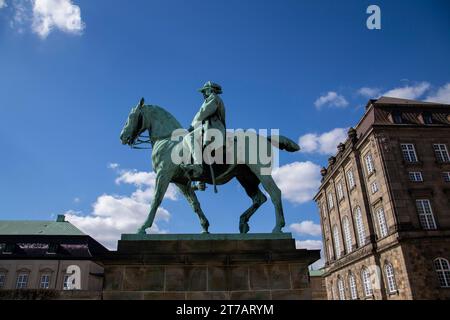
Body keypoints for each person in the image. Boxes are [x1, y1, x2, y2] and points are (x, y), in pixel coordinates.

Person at [182, 81, 226, 190]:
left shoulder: (213, 98)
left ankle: (198, 167)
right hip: (209, 127)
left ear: (210, 90)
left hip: (214, 128)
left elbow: (203, 112)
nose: (203, 93)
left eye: (204, 91)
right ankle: (200, 182)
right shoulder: (213, 98)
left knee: (189, 137)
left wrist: (192, 125)